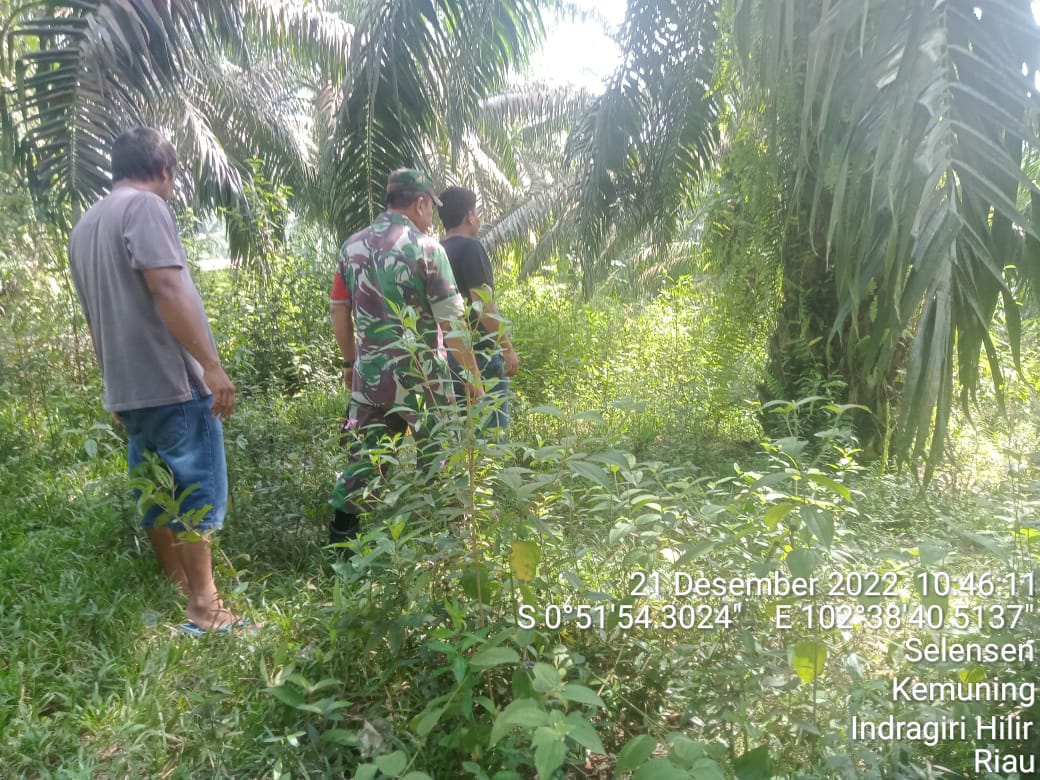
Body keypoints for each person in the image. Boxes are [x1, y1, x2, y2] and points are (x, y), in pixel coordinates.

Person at [68, 126, 241, 634]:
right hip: (172, 382)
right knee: (195, 490)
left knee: (155, 491)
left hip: (129, 388)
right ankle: (206, 610)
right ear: (163, 172)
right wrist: (210, 365)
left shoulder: (85, 226)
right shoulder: (145, 208)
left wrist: (111, 388)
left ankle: (180, 589)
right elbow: (166, 286)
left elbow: (94, 315)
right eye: (172, 178)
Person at [328, 169, 483, 550]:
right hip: (423, 377)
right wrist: (473, 374)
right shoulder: (428, 249)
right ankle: (435, 542)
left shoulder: (351, 247)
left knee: (366, 457)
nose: (431, 215)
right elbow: (451, 317)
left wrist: (350, 363)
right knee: (437, 455)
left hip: (371, 378)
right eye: (430, 207)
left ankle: (341, 539)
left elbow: (338, 309)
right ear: (420, 203)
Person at [437, 186, 519, 434]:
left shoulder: (436, 251)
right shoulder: (471, 247)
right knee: (492, 436)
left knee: (465, 434)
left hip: (450, 354)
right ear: (470, 215)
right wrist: (507, 348)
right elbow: (483, 306)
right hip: (481, 355)